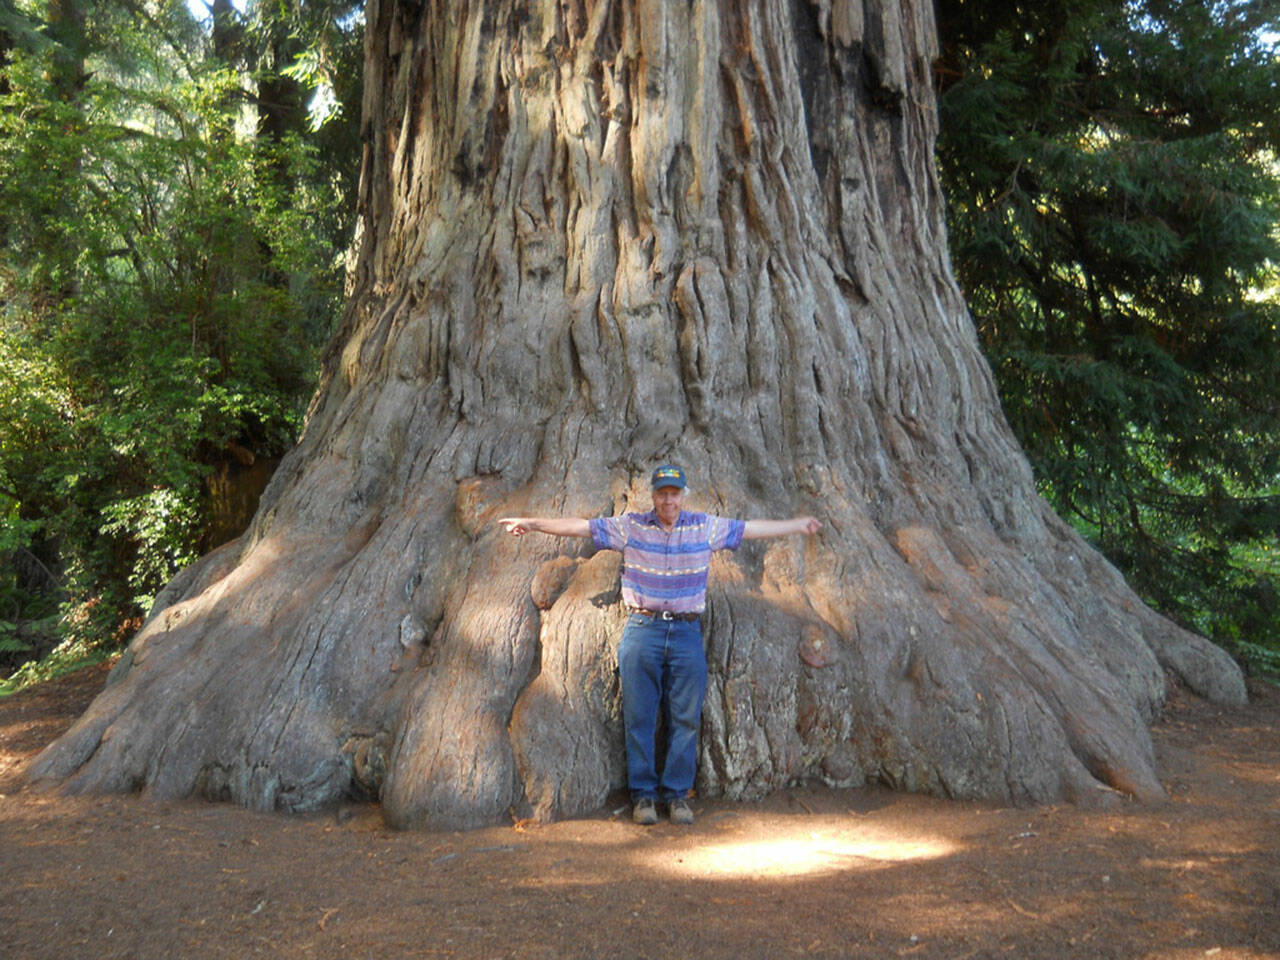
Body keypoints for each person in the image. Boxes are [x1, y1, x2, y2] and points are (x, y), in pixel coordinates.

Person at [498, 465, 821, 826]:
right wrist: (532, 523)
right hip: (643, 631)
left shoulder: (704, 526)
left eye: (675, 493)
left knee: (685, 718)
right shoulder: (631, 526)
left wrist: (797, 525)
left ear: (683, 495)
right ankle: (644, 796)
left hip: (685, 634)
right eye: (663, 493)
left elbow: (750, 530)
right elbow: (582, 526)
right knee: (640, 717)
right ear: (654, 495)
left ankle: (677, 795)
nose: (669, 499)